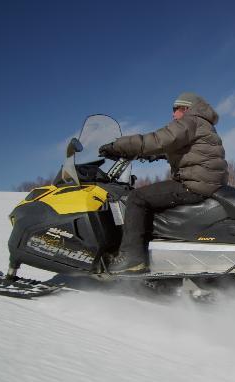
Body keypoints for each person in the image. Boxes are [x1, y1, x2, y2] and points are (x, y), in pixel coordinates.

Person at [96, 93, 227, 274]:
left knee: (136, 197)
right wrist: (152, 155)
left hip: (194, 184)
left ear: (186, 108)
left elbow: (159, 139)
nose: (173, 115)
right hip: (207, 182)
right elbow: (185, 149)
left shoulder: (189, 121)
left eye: (175, 110)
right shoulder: (203, 124)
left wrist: (118, 146)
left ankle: (132, 259)